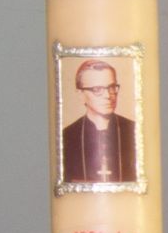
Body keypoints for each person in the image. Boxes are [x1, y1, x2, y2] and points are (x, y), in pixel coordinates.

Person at [59, 55, 139, 189]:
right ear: (81, 94)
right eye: (97, 90)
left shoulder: (135, 132)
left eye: (112, 87)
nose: (108, 95)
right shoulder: (67, 137)